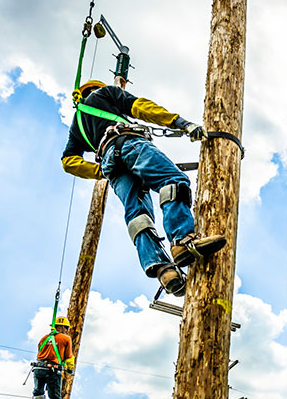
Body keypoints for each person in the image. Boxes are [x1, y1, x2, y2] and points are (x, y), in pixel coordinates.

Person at [61, 80, 226, 296]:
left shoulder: (78, 124)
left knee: (137, 216)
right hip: (129, 143)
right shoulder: (106, 94)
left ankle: (163, 270)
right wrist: (180, 122)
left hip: (111, 165)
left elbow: (68, 161)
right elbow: (140, 107)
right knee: (173, 182)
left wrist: (99, 171)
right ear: (96, 89)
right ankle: (182, 241)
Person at [33, 316, 75, 399]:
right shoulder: (66, 339)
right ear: (61, 327)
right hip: (52, 370)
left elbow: (41, 353)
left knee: (38, 394)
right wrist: (70, 369)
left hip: (38, 369)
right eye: (66, 328)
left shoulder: (44, 338)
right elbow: (69, 358)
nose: (67, 330)